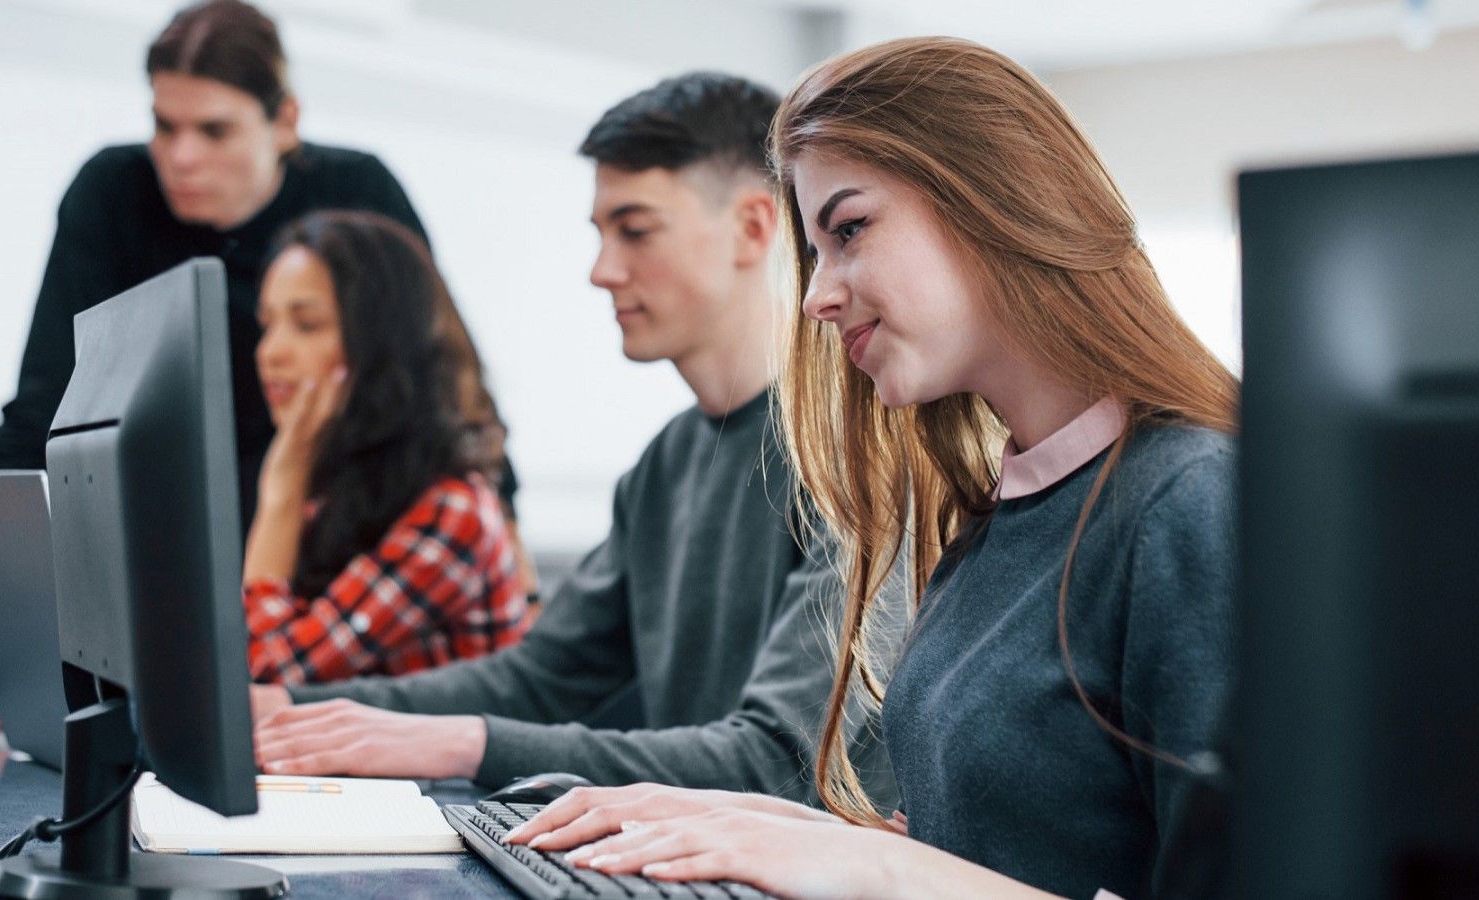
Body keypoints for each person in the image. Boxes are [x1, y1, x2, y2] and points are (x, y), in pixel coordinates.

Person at [503, 37, 1239, 900]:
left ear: (995, 199)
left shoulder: (1188, 499)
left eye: (849, 230)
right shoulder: (994, 516)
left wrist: (877, 866)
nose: (815, 294)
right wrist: (758, 824)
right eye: (815, 251)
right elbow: (989, 857)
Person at [247, 72, 897, 808]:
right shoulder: (666, 466)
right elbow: (539, 677)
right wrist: (296, 708)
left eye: (636, 230)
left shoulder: (857, 450)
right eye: (601, 234)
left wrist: (464, 741)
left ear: (753, 226)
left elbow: (778, 763)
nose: (602, 271)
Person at [0, 0, 528, 689]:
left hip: (323, 525)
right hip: (180, 535)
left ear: (284, 121)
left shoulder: (356, 197)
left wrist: (506, 551)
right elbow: (44, 407)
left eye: (214, 130)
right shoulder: (114, 193)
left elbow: (441, 370)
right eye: (164, 126)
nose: (182, 156)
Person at [245, 210, 529, 684]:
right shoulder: (342, 489)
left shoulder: (451, 512)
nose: (270, 352)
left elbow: (272, 674)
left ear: (379, 344)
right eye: (268, 324)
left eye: (307, 325)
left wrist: (282, 484)